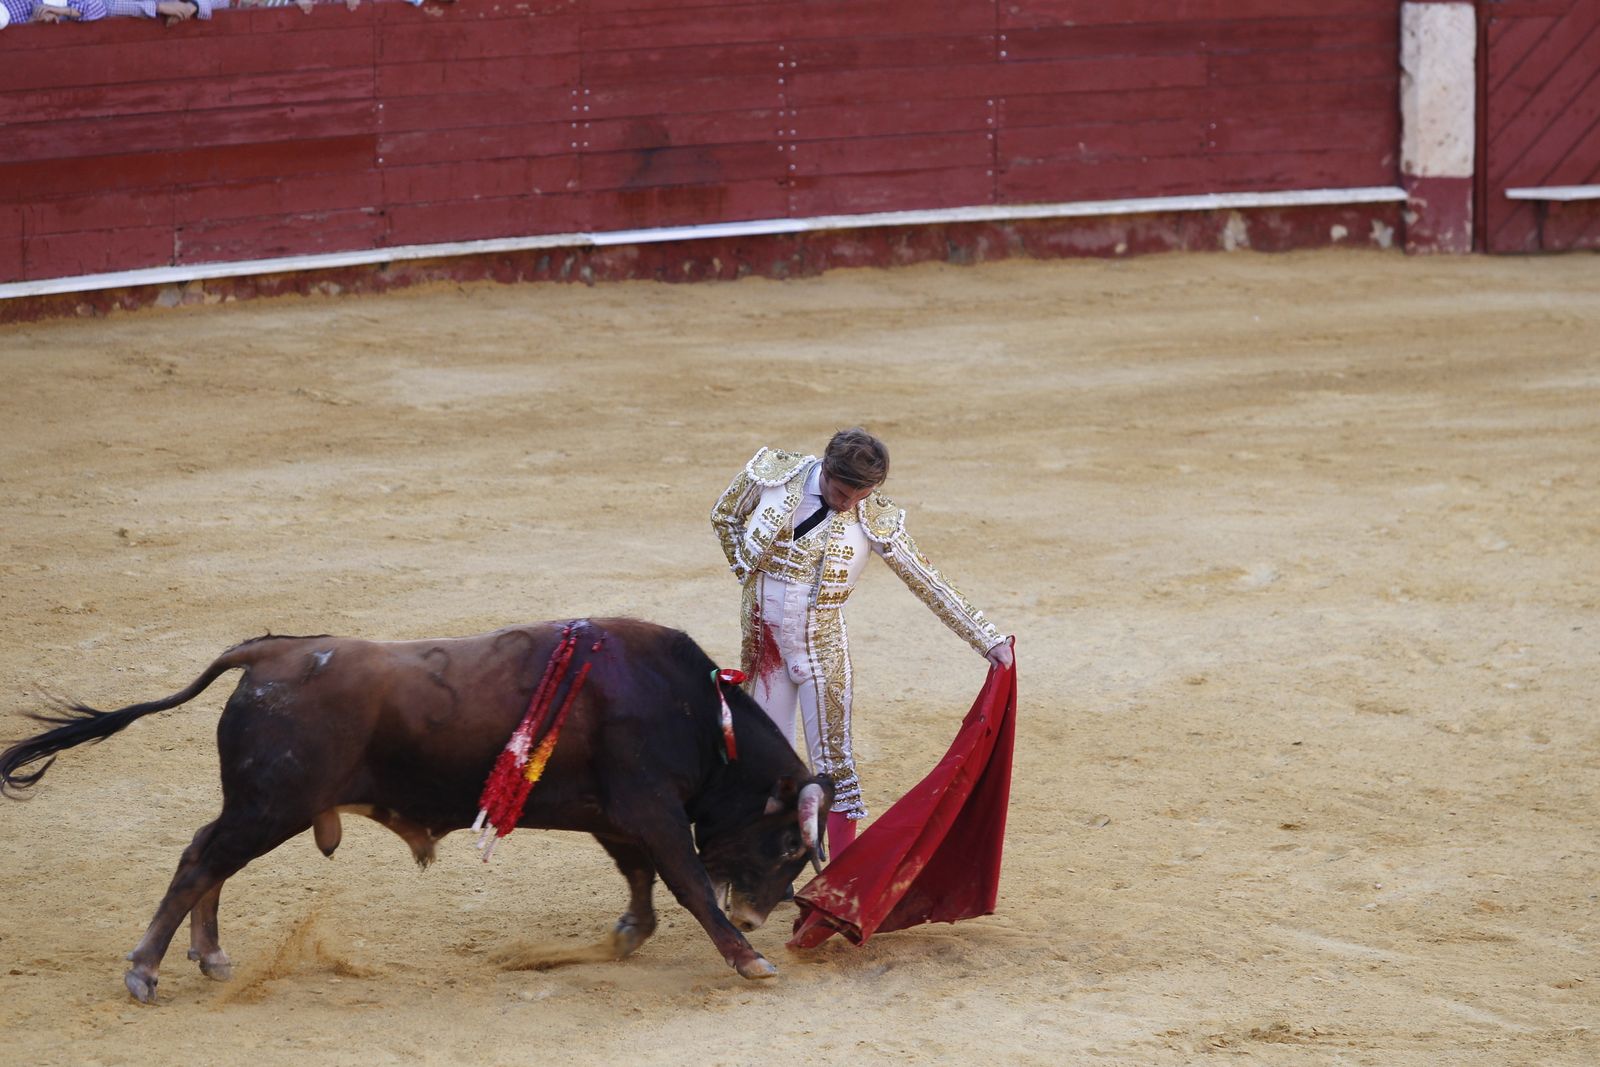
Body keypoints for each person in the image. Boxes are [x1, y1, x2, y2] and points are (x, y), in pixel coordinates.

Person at [711, 428, 1012, 857]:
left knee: (835, 764)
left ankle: (841, 874)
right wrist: (746, 568)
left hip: (823, 650)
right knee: (764, 762)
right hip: (765, 647)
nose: (848, 503)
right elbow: (724, 515)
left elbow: (926, 579)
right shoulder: (774, 475)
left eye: (861, 495)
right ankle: (772, 870)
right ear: (825, 470)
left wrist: (987, 639)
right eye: (841, 492)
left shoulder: (874, 517)